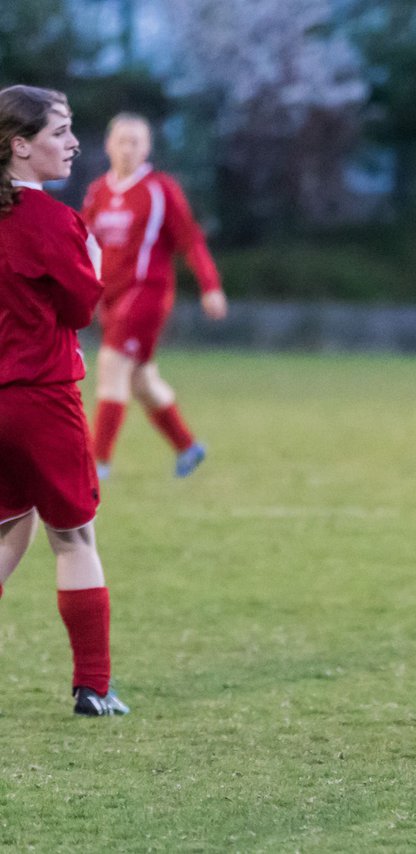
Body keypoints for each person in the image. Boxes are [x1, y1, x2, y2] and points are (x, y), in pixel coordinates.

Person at [0, 84, 129, 716]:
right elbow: (81, 308)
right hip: (40, 398)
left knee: (5, 532)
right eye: (60, 131)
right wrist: (94, 261)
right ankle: (94, 686)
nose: (74, 142)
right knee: (74, 538)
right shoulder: (54, 221)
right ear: (20, 146)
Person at [81, 112, 227, 480]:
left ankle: (96, 465)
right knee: (141, 380)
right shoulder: (99, 190)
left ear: (147, 148)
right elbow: (83, 241)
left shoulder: (160, 189)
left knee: (112, 368)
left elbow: (190, 240)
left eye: (136, 142)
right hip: (109, 298)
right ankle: (187, 447)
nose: (128, 148)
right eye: (121, 141)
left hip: (147, 294)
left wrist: (210, 286)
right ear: (108, 145)